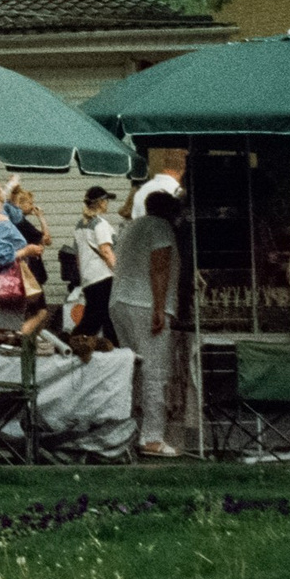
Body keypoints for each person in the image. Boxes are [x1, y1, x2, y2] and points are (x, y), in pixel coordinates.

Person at [112, 188, 183, 457]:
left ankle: (127, 432)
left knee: (133, 370)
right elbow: (159, 266)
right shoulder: (161, 228)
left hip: (120, 300)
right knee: (155, 370)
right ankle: (152, 437)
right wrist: (159, 306)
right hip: (145, 303)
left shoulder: (132, 226)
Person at [0, 176, 46, 336]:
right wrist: (27, 251)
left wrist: (11, 186)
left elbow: (8, 207)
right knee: (5, 339)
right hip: (3, 285)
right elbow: (3, 258)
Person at [71, 186, 119, 342]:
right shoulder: (101, 224)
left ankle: (81, 342)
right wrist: (118, 272)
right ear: (102, 202)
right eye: (106, 200)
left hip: (88, 277)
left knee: (100, 316)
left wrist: (82, 275)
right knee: (100, 318)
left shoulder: (79, 225)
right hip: (103, 276)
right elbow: (105, 251)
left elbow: (78, 256)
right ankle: (75, 342)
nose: (107, 204)